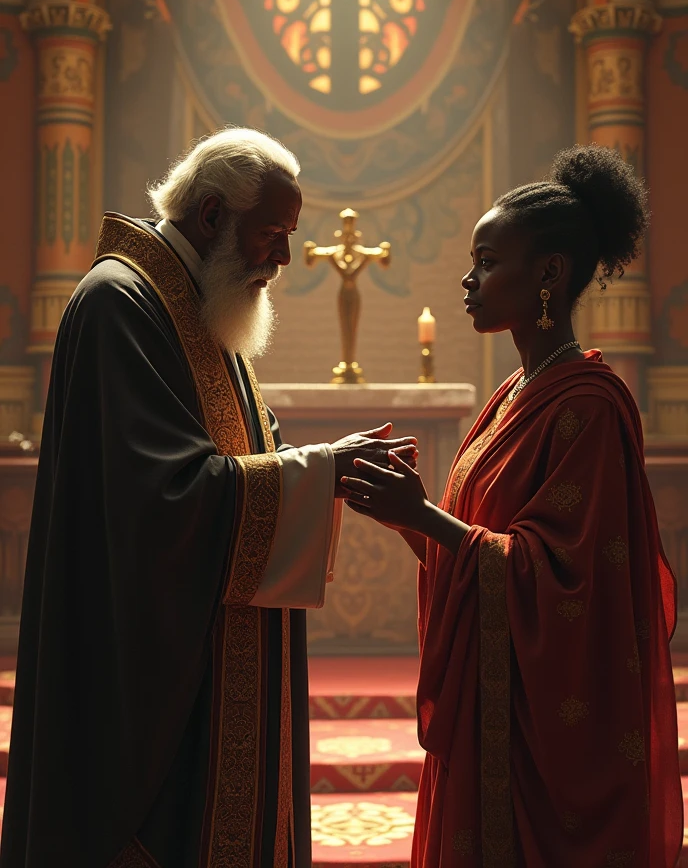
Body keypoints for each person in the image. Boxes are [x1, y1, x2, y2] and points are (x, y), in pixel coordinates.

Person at [0, 128, 417, 868]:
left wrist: (318, 468)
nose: (285, 258)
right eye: (274, 233)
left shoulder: (197, 306)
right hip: (139, 674)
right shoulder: (120, 304)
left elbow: (246, 453)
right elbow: (157, 502)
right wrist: (318, 471)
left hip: (205, 650)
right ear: (212, 215)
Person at [341, 145, 683, 867]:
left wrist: (425, 515)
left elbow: (565, 581)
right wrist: (410, 516)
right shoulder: (512, 397)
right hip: (491, 713)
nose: (469, 280)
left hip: (544, 736)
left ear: (549, 275)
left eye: (489, 262)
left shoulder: (589, 406)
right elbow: (481, 553)